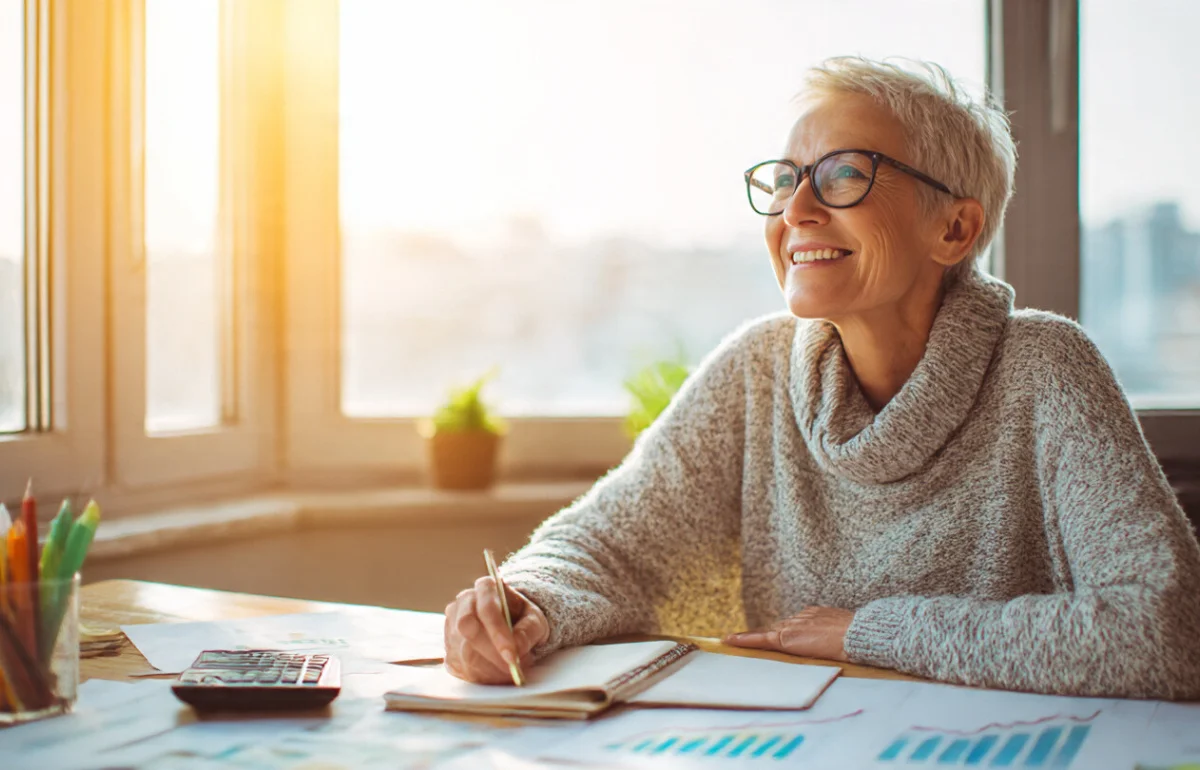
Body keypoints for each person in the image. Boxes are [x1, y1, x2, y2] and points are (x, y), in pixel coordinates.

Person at [442, 57, 1200, 699]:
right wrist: (528, 599)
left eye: (843, 175)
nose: (794, 209)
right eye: (784, 178)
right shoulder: (757, 367)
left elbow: (1166, 629)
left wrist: (867, 633)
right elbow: (610, 544)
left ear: (955, 229)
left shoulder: (1046, 368)